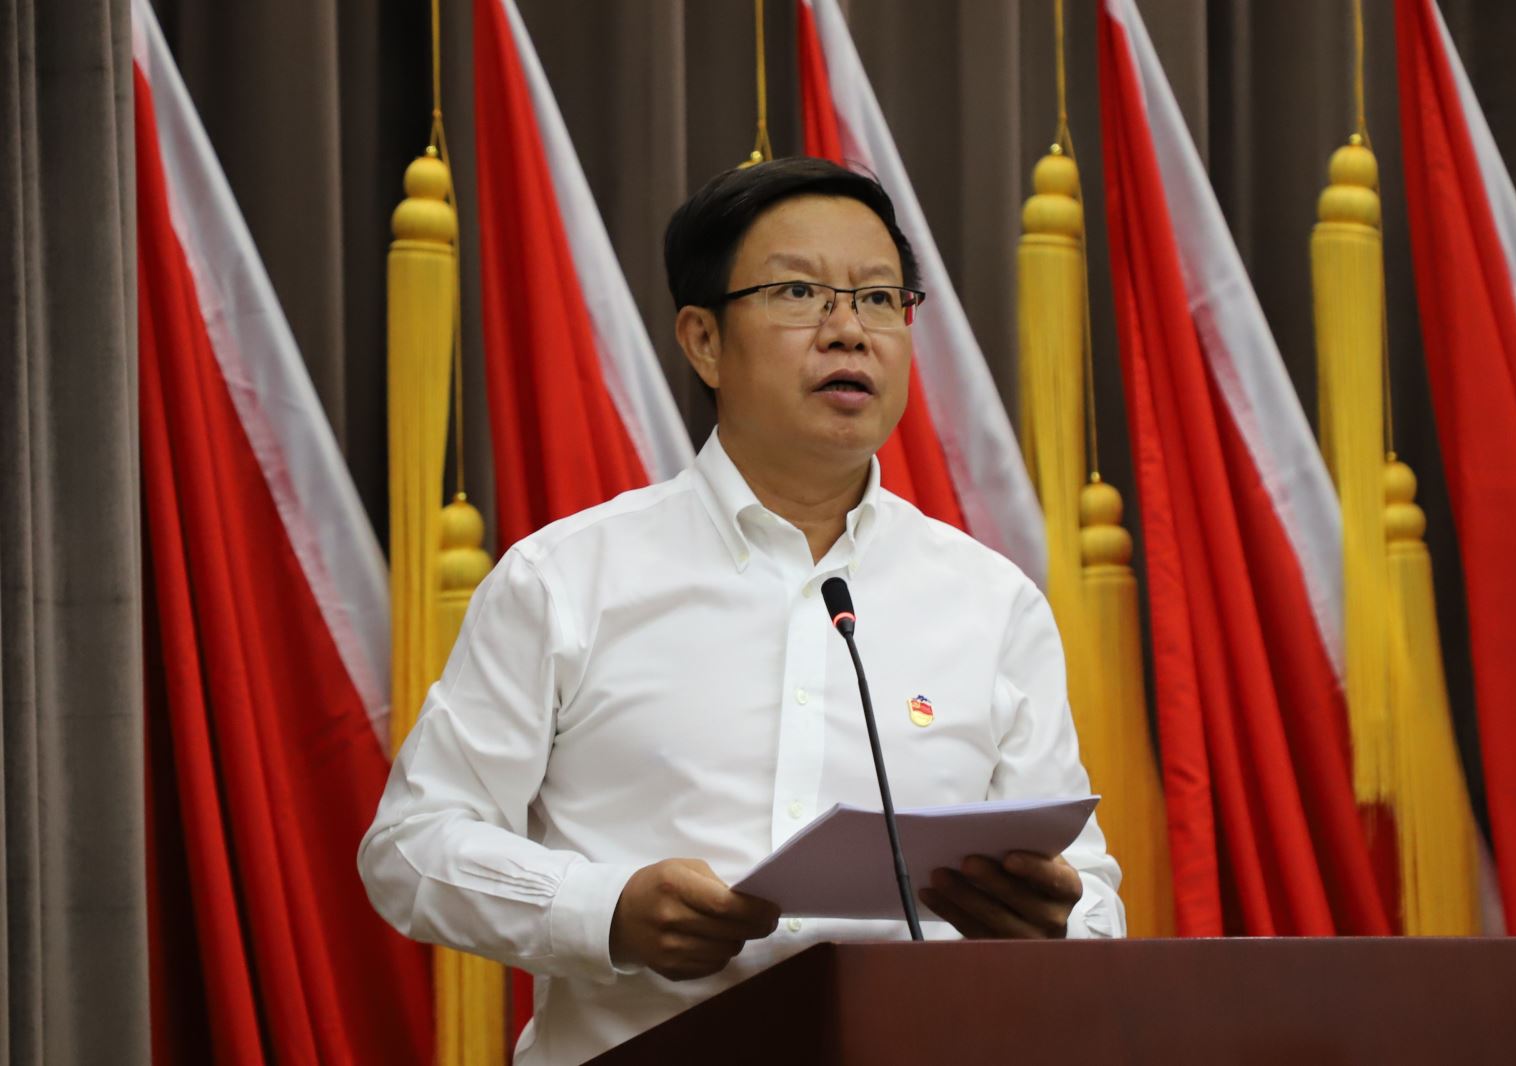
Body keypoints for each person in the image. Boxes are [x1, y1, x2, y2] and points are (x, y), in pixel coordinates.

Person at [359, 157, 1125, 1066]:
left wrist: (1055, 920)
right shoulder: (565, 579)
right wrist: (608, 911)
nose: (849, 331)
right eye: (799, 293)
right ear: (704, 341)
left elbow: (1093, 896)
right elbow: (412, 845)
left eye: (880, 298)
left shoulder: (991, 603)